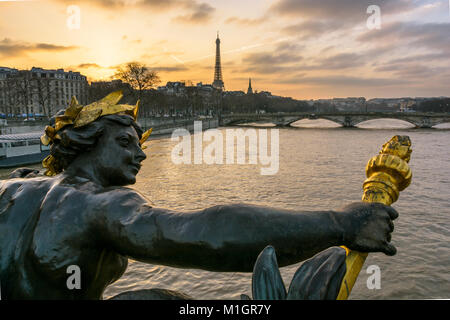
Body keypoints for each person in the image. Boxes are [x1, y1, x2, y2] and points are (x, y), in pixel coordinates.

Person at [0, 92, 398, 300]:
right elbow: (205, 233)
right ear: (85, 142)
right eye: (125, 141)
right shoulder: (96, 204)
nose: (140, 154)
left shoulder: (13, 189)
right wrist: (338, 223)